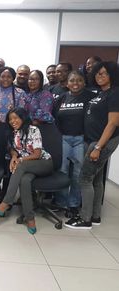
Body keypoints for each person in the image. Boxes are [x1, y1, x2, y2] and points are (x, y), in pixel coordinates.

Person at [65, 61, 119, 229]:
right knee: (96, 180)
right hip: (93, 140)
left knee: (85, 178)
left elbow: (113, 123)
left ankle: (85, 218)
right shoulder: (101, 93)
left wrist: (98, 147)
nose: (99, 76)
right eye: (97, 73)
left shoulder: (115, 93)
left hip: (101, 142)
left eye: (104, 73)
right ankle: (95, 216)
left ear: (112, 75)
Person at [0, 108, 53, 234]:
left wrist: (19, 160)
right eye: (10, 119)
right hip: (27, 165)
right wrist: (14, 156)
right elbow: (13, 149)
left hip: (44, 163)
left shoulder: (33, 130)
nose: (12, 121)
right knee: (24, 181)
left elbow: (37, 154)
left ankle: (7, 202)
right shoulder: (13, 133)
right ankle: (30, 219)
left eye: (15, 118)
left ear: (22, 118)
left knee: (20, 166)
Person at [52, 70, 96, 213]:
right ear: (67, 83)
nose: (75, 83)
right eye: (72, 80)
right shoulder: (61, 98)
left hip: (81, 139)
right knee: (62, 171)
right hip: (63, 138)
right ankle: (61, 202)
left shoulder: (90, 97)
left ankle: (73, 203)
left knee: (78, 173)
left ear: (84, 82)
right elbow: (55, 119)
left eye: (79, 80)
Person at [0, 66, 27, 197]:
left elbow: (22, 113)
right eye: (3, 76)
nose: (5, 79)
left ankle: (7, 191)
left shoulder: (20, 93)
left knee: (10, 159)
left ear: (13, 78)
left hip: (13, 130)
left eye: (8, 76)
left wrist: (9, 122)